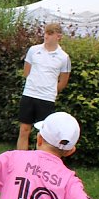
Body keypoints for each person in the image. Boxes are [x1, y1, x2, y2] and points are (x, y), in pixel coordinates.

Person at [16, 22, 71, 150]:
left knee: (43, 134)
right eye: (46, 33)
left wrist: (49, 90)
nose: (46, 36)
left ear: (58, 36)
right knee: (24, 130)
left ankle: (38, 164)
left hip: (47, 99)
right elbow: (26, 72)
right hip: (29, 94)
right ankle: (20, 162)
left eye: (50, 33)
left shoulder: (64, 57)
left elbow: (63, 82)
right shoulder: (34, 50)